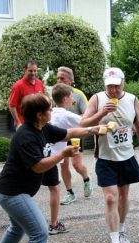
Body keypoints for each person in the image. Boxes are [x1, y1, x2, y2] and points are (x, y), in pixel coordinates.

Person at [0, 93, 103, 243]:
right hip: (12, 193)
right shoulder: (25, 135)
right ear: (39, 115)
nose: (52, 112)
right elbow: (37, 166)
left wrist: (92, 130)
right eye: (49, 110)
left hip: (15, 190)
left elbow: (68, 133)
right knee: (39, 232)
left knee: (17, 227)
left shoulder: (42, 128)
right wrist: (62, 154)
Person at [81, 67, 139, 243]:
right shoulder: (97, 99)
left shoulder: (132, 99)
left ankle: (121, 231)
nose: (113, 90)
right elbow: (83, 123)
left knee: (123, 196)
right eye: (109, 86)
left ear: (123, 83)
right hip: (105, 157)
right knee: (110, 197)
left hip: (127, 155)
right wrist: (101, 114)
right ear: (105, 85)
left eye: (116, 86)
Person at [43, 83, 85, 234]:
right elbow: (86, 123)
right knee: (54, 189)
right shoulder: (66, 114)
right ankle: (53, 225)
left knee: (35, 187)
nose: (73, 99)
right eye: (71, 97)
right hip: (50, 159)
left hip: (44, 154)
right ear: (66, 98)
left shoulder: (52, 112)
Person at [56, 66, 92, 205]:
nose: (59, 80)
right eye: (58, 78)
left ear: (71, 80)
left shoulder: (78, 95)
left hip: (75, 134)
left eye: (62, 78)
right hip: (60, 135)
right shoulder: (54, 94)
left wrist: (72, 119)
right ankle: (70, 193)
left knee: (76, 165)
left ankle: (86, 179)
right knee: (63, 165)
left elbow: (87, 115)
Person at [8, 60, 45, 129]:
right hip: (24, 124)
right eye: (30, 71)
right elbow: (11, 106)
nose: (33, 73)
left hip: (38, 123)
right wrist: (18, 123)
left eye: (35, 70)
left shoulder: (40, 83)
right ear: (25, 70)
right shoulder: (18, 86)